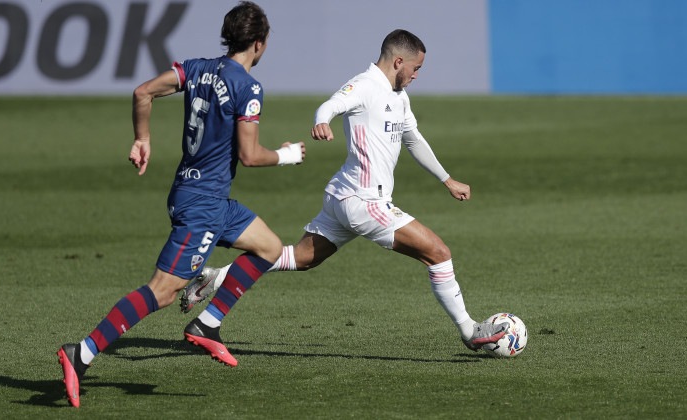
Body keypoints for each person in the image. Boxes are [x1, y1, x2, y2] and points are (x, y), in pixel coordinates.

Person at [181, 29, 508, 355]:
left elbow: (413, 139)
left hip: (343, 196)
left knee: (301, 257)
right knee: (438, 253)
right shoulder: (365, 86)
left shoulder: (399, 96)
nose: (416, 75)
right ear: (398, 62)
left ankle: (217, 278)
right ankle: (469, 330)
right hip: (364, 201)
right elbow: (331, 105)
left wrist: (446, 179)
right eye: (416, 68)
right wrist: (322, 121)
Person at [56, 1, 305, 408]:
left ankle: (207, 325)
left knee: (270, 248)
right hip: (203, 205)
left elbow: (143, 91)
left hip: (199, 194)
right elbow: (250, 155)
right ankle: (80, 354)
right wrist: (288, 154)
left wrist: (143, 138)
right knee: (164, 291)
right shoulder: (248, 87)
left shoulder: (197, 67)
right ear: (258, 44)